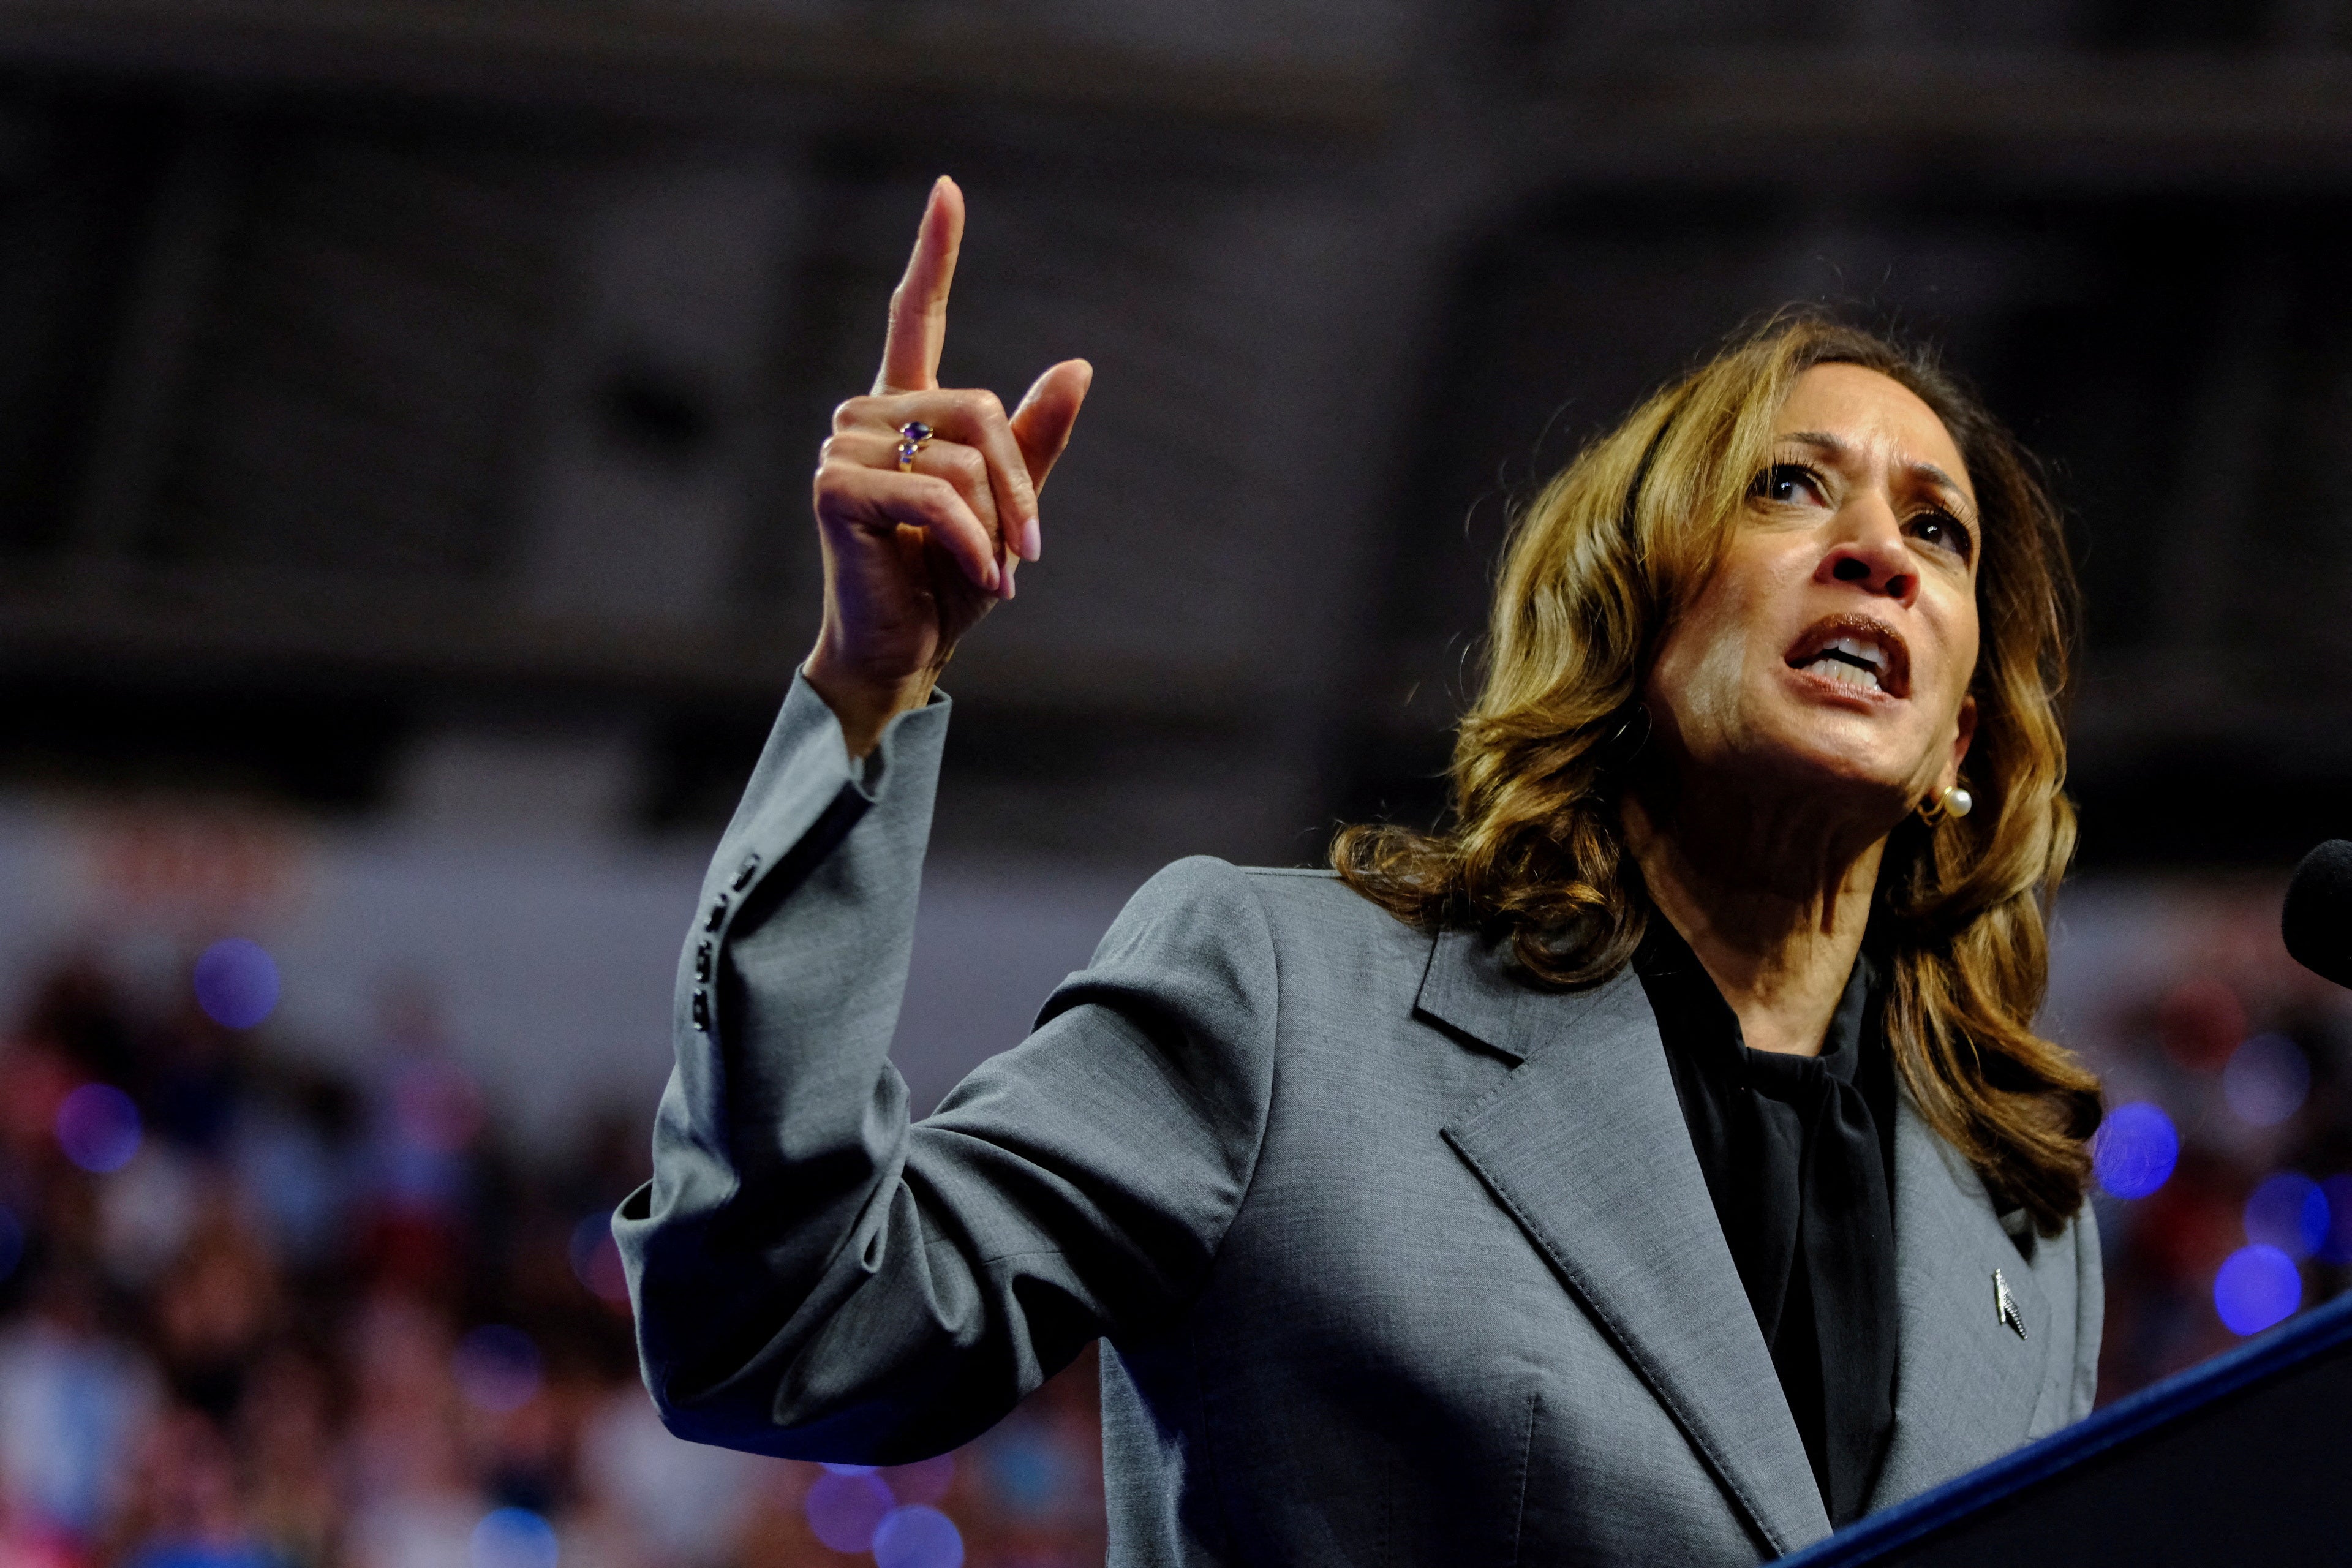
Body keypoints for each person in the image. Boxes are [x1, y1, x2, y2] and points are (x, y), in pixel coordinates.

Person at [616, 176, 2103, 1566]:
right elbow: (787, 1333)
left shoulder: (2023, 1218)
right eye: (1790, 486)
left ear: (1957, 729)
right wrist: (867, 687)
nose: (1881, 553)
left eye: (1937, 528)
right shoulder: (1287, 1003)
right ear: (1630, 622)